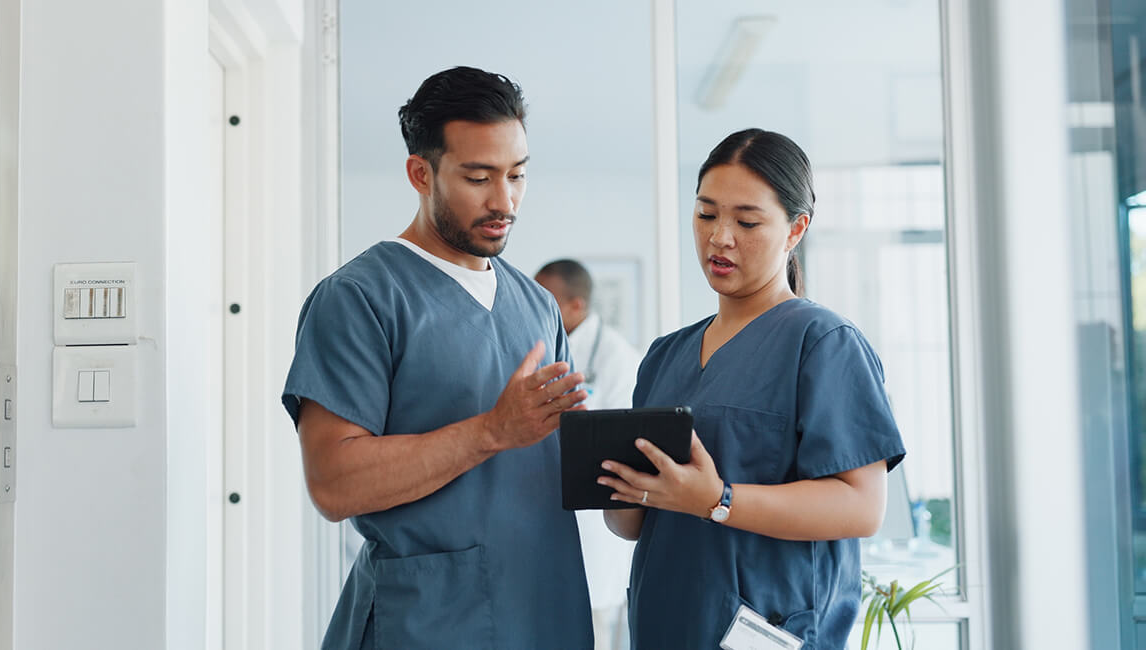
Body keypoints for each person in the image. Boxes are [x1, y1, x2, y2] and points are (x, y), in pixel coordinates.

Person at [282, 66, 594, 650]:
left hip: (546, 610)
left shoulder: (538, 305)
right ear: (420, 173)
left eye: (517, 175)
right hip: (428, 622)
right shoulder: (359, 299)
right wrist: (491, 431)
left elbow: (552, 462)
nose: (505, 200)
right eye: (479, 177)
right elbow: (333, 483)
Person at [601, 129, 906, 649]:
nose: (720, 237)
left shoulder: (824, 343)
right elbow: (632, 524)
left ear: (795, 229)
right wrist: (614, 478)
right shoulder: (665, 356)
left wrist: (717, 501)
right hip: (665, 625)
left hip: (767, 632)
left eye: (746, 221)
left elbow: (862, 507)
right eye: (705, 214)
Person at [535, 259, 641, 650]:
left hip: (596, 533)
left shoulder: (617, 360)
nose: (536, 306)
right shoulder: (543, 349)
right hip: (546, 522)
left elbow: (611, 447)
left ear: (576, 306)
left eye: (547, 300)